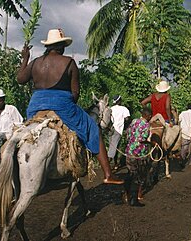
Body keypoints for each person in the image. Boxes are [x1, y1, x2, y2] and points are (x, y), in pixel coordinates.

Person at [17, 28, 122, 185]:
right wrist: (67, 103)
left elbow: (20, 79)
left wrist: (25, 58)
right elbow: (75, 93)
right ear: (61, 46)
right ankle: (107, 174)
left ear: (48, 46)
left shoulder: (36, 62)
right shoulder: (69, 62)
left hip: (35, 106)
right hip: (62, 104)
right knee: (93, 128)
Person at [124, 107, 152, 207]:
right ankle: (134, 200)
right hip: (139, 154)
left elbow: (128, 132)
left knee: (130, 174)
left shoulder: (134, 121)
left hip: (129, 151)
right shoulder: (146, 125)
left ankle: (126, 195)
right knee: (138, 175)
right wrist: (151, 142)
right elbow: (142, 139)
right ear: (148, 116)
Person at [108, 95, 130, 170]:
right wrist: (126, 127)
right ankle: (108, 166)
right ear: (119, 101)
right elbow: (127, 119)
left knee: (113, 146)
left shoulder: (111, 109)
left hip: (110, 130)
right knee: (113, 148)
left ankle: (115, 164)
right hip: (118, 130)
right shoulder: (124, 109)